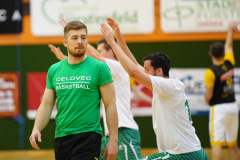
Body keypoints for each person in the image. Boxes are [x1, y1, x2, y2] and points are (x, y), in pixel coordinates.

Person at [100, 17, 208, 160]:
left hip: (183, 154)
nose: (143, 73)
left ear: (159, 71)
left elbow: (133, 72)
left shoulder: (170, 85)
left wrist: (112, 43)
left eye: (147, 70)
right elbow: (132, 64)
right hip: (185, 152)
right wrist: (118, 34)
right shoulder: (165, 87)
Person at [49, 20, 144, 159]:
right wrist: (64, 58)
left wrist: (73, 37)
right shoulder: (103, 71)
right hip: (109, 133)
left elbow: (95, 57)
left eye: (100, 50)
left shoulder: (118, 67)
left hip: (124, 130)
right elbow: (83, 67)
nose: (97, 54)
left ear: (110, 52)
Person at [29, 20, 118, 160]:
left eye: (83, 37)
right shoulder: (54, 70)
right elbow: (46, 105)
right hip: (61, 138)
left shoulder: (99, 68)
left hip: (89, 137)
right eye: (75, 38)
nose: (80, 42)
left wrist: (113, 140)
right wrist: (36, 128)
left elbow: (110, 105)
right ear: (65, 42)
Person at [205, 24, 239, 160]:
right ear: (223, 54)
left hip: (219, 108)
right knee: (233, 144)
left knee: (216, 143)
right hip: (233, 107)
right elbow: (229, 45)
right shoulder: (229, 62)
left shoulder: (210, 72)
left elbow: (209, 94)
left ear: (210, 54)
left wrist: (206, 99)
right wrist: (231, 30)